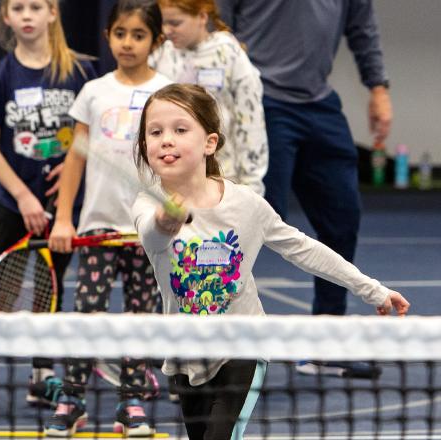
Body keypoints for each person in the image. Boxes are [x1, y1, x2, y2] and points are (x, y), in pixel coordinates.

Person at [131, 83, 410, 440]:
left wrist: (372, 290)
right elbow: (153, 239)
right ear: (144, 146)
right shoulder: (146, 204)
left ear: (209, 143)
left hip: (244, 345)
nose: (166, 139)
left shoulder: (246, 205)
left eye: (180, 129)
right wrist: (167, 219)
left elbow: (304, 249)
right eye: (155, 132)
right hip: (188, 353)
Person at [215, 0, 394, 378]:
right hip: (260, 104)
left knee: (343, 219)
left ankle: (325, 347)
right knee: (248, 226)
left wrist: (378, 88)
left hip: (319, 105)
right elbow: (218, 31)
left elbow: (362, 28)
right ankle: (211, 343)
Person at [0, 0, 96, 413]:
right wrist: (23, 196)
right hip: (16, 203)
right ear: (7, 18)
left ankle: (41, 374)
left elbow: (90, 135)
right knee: (7, 285)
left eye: (37, 6)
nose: (28, 14)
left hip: (65, 206)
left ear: (53, 13)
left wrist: (72, 170)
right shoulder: (0, 76)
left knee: (50, 286)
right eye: (19, 7)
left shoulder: (81, 72)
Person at [44, 0, 170, 436]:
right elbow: (74, 161)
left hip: (149, 232)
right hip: (97, 228)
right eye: (121, 34)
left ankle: (131, 400)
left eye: (138, 35)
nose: (128, 43)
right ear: (108, 36)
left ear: (157, 40)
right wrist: (64, 220)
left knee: (141, 316)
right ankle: (73, 399)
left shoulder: (169, 94)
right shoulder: (94, 93)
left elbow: (179, 161)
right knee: (88, 314)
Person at [149, 0, 266, 195]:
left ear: (202, 17)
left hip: (225, 177)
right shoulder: (161, 57)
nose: (167, 30)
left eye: (175, 23)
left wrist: (252, 184)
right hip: (174, 181)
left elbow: (250, 122)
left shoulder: (228, 53)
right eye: (163, 23)